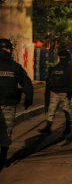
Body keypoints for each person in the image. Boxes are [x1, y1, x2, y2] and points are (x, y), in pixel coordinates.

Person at [0, 39, 33, 172]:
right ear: (9, 50)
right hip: (8, 104)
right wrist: (28, 99)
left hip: (9, 104)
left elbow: (26, 83)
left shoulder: (15, 66)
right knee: (6, 133)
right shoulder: (15, 67)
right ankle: (2, 159)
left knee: (5, 133)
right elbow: (27, 83)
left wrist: (28, 97)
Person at [39, 49, 72, 135]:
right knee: (57, 109)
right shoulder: (67, 68)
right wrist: (69, 91)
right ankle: (50, 128)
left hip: (60, 92)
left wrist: (69, 91)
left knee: (59, 110)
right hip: (58, 92)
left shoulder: (60, 68)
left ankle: (66, 127)